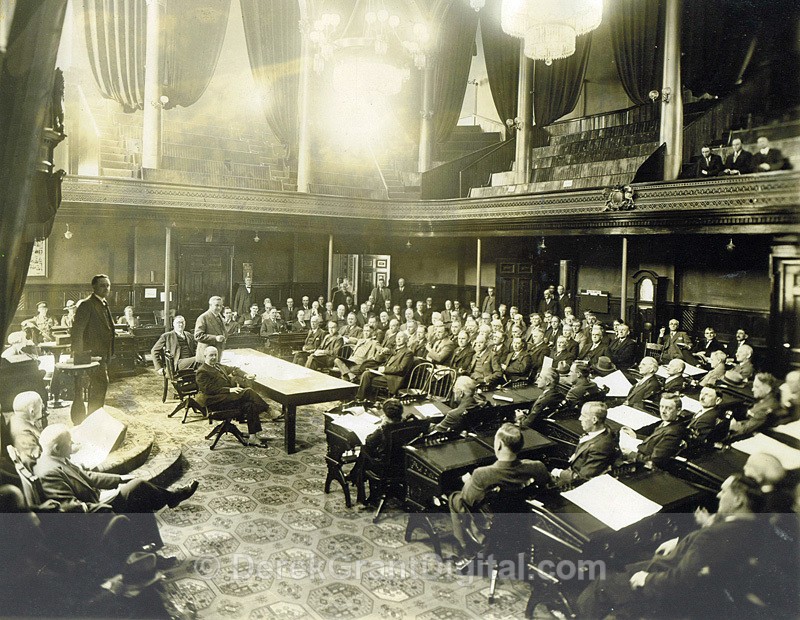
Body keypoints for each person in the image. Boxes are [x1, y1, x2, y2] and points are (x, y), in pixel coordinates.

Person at [575, 474, 766, 619]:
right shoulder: (753, 527)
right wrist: (683, 539)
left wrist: (646, 579)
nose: (718, 495)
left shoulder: (713, 536)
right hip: (696, 592)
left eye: (724, 491)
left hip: (663, 589)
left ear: (739, 500)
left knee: (602, 583)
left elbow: (681, 579)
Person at [35, 424, 199, 547]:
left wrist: (120, 478)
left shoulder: (55, 459)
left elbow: (88, 476)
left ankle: (153, 541)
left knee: (138, 490)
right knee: (139, 489)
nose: (73, 445)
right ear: (57, 448)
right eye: (69, 442)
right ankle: (171, 499)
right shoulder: (49, 472)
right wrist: (105, 508)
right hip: (95, 512)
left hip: (96, 499)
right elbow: (69, 507)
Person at [448, 423, 548, 563]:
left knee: (455, 498)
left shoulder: (481, 474)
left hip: (492, 525)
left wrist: (469, 482)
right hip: (523, 523)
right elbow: (546, 485)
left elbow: (468, 499)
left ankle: (467, 548)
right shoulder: (537, 467)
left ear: (499, 445)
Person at [195, 346, 280, 443]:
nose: (214, 357)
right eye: (211, 355)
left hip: (226, 399)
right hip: (216, 401)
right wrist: (229, 390)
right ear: (205, 356)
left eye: (215, 355)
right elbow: (208, 389)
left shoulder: (218, 366)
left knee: (250, 405)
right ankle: (268, 410)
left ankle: (253, 437)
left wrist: (245, 375)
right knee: (248, 391)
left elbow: (234, 369)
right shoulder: (202, 371)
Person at [71, 274, 115, 416]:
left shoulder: (103, 303)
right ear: (94, 287)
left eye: (108, 285)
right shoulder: (87, 304)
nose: (106, 288)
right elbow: (77, 332)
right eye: (102, 285)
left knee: (100, 385)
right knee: (100, 384)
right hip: (91, 355)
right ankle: (93, 417)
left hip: (103, 354)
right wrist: (79, 356)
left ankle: (96, 415)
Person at [551, 402, 618, 487]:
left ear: (594, 420)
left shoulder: (600, 447)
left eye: (583, 416)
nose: (579, 418)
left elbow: (582, 478)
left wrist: (558, 472)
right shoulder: (604, 430)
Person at [621, 393, 687, 467]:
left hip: (641, 464)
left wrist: (631, 454)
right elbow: (656, 441)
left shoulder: (674, 432)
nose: (663, 411)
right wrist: (636, 436)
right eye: (661, 407)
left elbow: (654, 461)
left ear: (678, 411)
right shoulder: (667, 422)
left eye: (668, 408)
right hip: (639, 452)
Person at [355, 331, 414, 401]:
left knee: (366, 376)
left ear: (406, 340)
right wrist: (381, 354)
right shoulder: (394, 350)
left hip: (393, 378)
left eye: (401, 337)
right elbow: (380, 361)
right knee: (366, 373)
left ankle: (361, 399)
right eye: (397, 337)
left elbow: (401, 369)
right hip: (385, 374)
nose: (398, 339)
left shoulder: (408, 352)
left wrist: (385, 369)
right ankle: (365, 398)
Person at [729, 372, 781, 437]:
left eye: (756, 387)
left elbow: (745, 430)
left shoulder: (766, 407)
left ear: (768, 389)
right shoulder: (764, 400)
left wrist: (730, 425)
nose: (753, 389)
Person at [8, 391, 44, 469]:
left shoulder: (16, 419)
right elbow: (34, 463)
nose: (43, 406)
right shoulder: (23, 435)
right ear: (32, 411)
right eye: (41, 404)